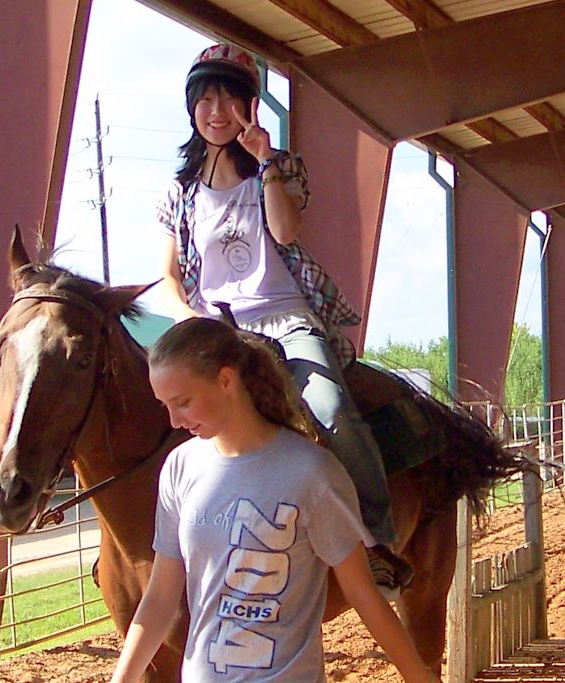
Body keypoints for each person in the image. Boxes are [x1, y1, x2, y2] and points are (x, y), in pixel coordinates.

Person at [155, 42, 410, 594]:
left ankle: (377, 541)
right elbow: (169, 277)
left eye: (230, 99)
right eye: (206, 99)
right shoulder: (179, 193)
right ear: (192, 106)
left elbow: (286, 231)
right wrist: (188, 317)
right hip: (216, 332)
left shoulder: (278, 168)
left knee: (332, 410)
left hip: (284, 320)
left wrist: (266, 160)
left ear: (250, 106)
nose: (217, 112)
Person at [109, 318, 438, 683]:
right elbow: (159, 598)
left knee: (333, 409)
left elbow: (363, 594)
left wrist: (418, 676)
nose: (174, 421)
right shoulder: (179, 467)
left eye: (183, 402)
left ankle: (381, 536)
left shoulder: (311, 471)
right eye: (165, 406)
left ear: (226, 379)